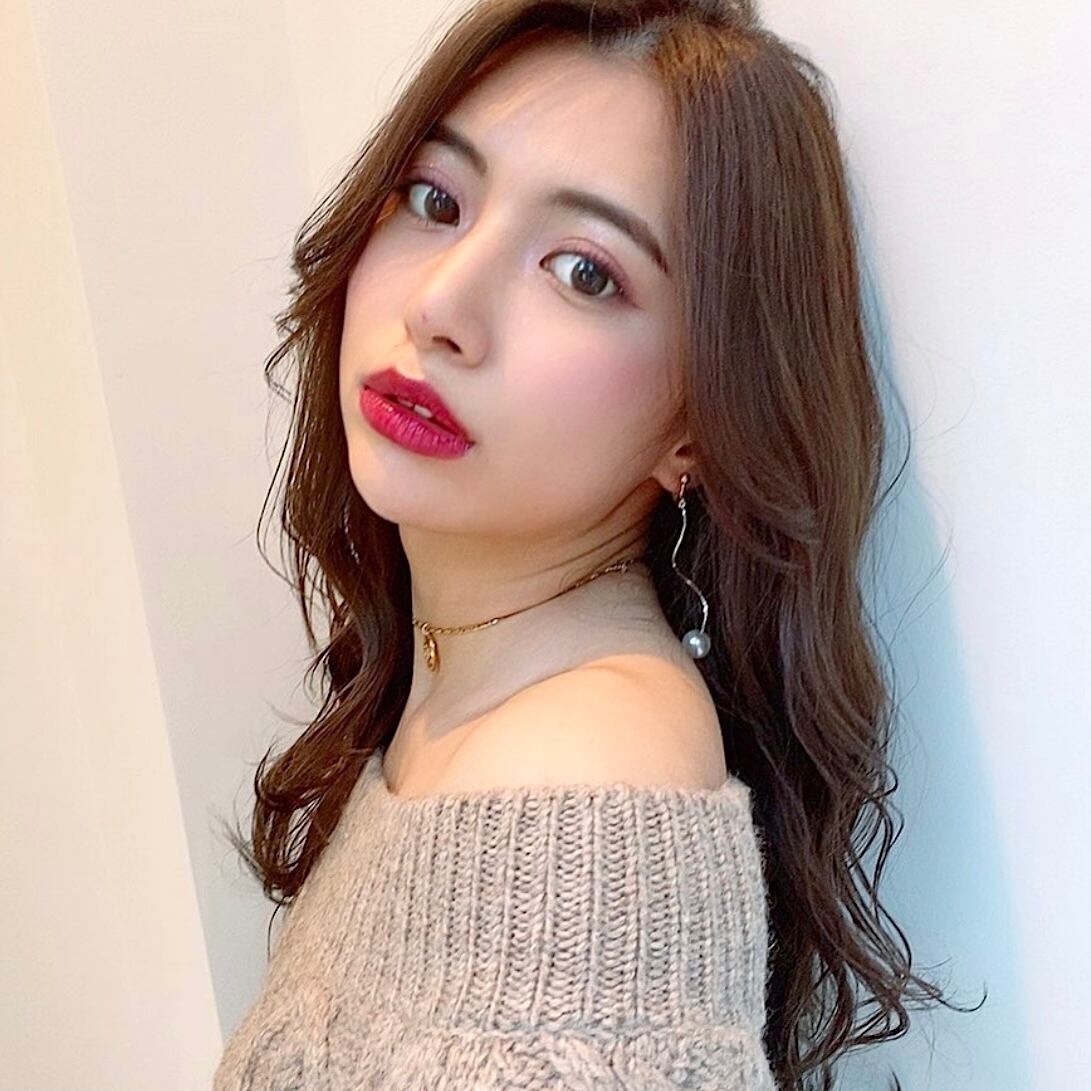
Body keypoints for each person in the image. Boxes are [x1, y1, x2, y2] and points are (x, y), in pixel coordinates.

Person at [215, 1, 970, 1088]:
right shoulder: (462, 700)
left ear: (698, 423)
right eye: (435, 200)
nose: (440, 305)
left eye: (582, 271)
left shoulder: (584, 786)